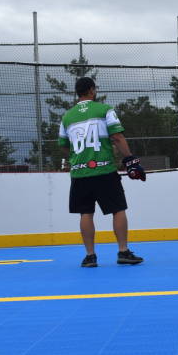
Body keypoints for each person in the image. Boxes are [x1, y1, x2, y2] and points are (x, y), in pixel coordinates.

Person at [58, 77, 146, 267]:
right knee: (118, 209)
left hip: (80, 173)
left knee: (85, 213)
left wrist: (76, 158)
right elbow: (117, 136)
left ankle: (90, 256)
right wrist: (130, 160)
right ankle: (123, 251)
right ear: (92, 90)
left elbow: (64, 146)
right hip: (104, 169)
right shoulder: (105, 110)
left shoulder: (67, 117)